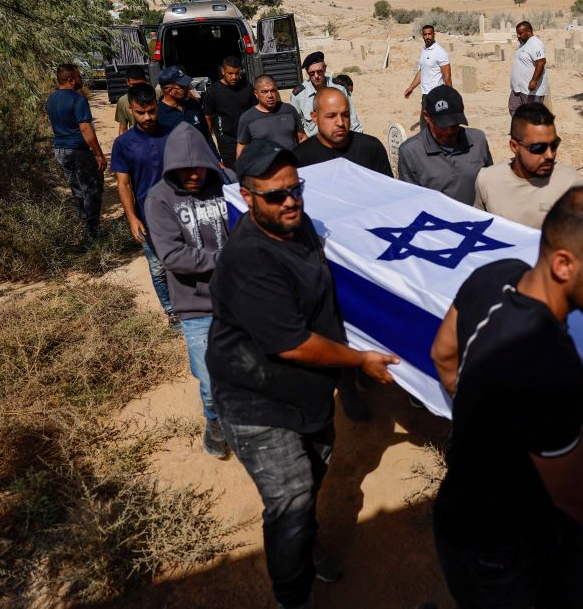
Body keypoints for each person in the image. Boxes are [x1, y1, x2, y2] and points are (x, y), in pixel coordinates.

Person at [429, 185, 583, 607]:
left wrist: (481, 423)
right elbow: (572, 491)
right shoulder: (551, 367)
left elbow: (443, 354)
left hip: (466, 521)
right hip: (503, 547)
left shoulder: (495, 273)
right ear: (563, 264)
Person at [206, 140, 400, 609]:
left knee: (311, 480)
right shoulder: (250, 261)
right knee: (291, 499)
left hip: (307, 392)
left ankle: (301, 544)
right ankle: (292, 595)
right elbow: (291, 343)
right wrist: (359, 360)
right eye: (276, 195)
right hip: (256, 402)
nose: (290, 201)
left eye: (296, 189)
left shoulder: (298, 225)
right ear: (248, 197)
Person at [145, 122, 235, 458]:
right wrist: (225, 259)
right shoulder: (159, 199)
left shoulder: (228, 182)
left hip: (239, 298)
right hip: (196, 305)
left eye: (198, 166)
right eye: (183, 169)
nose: (192, 174)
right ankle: (214, 419)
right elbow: (171, 256)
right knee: (210, 380)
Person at [110, 82, 177, 325]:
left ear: (157, 106)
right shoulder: (123, 144)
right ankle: (172, 312)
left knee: (184, 262)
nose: (147, 117)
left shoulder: (173, 134)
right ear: (130, 109)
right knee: (158, 268)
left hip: (179, 213)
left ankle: (194, 306)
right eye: (141, 112)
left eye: (151, 111)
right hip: (147, 217)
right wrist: (132, 218)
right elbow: (123, 185)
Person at [474, 102, 583, 229]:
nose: (550, 155)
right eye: (539, 148)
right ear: (514, 146)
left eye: (554, 145)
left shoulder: (572, 185)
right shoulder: (487, 180)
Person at [397, 86, 492, 205]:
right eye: (443, 126)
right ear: (427, 116)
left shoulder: (478, 140)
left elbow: (490, 184)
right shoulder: (410, 152)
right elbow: (410, 202)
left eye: (454, 125)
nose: (449, 132)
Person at [45, 63, 106, 239]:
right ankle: (92, 233)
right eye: (79, 76)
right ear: (71, 80)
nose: (81, 79)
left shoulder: (51, 99)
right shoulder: (78, 100)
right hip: (79, 151)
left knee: (77, 191)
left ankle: (83, 227)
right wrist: (99, 154)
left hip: (60, 151)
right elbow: (86, 129)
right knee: (92, 190)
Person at [294, 87, 392, 176]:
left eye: (345, 115)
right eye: (331, 116)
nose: (340, 123)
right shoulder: (300, 158)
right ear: (315, 117)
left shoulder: (371, 148)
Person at [291, 51, 363, 138]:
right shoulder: (299, 96)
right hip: (314, 142)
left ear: (325, 68)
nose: (316, 76)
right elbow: (296, 125)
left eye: (319, 72)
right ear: (307, 72)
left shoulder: (339, 88)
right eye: (312, 73)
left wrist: (358, 139)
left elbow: (352, 117)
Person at [203, 55, 256, 168]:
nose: (234, 77)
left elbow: (255, 110)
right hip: (227, 142)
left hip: (248, 137)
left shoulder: (247, 87)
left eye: (237, 73)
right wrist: (208, 141)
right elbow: (208, 117)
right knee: (233, 172)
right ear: (223, 71)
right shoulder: (213, 91)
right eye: (230, 73)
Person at [238, 75, 306, 158]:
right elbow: (242, 149)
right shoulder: (247, 118)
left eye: (273, 90)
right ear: (256, 94)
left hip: (292, 163)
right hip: (264, 165)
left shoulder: (289, 110)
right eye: (264, 92)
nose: (270, 95)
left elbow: (302, 138)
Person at [157, 65, 217, 154]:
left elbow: (207, 136)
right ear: (170, 91)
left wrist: (216, 158)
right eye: (183, 87)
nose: (188, 88)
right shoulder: (157, 114)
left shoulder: (194, 105)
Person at [403, 24, 452, 122]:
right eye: (425, 35)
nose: (427, 37)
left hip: (437, 95)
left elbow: (447, 77)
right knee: (427, 125)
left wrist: (450, 98)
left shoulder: (440, 52)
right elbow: (422, 71)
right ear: (422, 36)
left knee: (431, 125)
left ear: (434, 34)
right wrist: (411, 87)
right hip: (425, 95)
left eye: (430, 34)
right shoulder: (424, 50)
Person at [509, 21, 549, 115]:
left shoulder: (535, 43)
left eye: (520, 33)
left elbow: (541, 62)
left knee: (531, 116)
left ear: (528, 31)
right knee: (514, 109)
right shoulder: (523, 43)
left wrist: (534, 80)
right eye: (517, 33)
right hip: (518, 88)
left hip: (530, 91)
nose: (518, 36)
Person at [114, 66, 155, 135]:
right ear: (127, 82)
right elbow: (123, 128)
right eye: (133, 84)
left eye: (140, 84)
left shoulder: (155, 95)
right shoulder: (123, 101)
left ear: (145, 80)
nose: (137, 88)